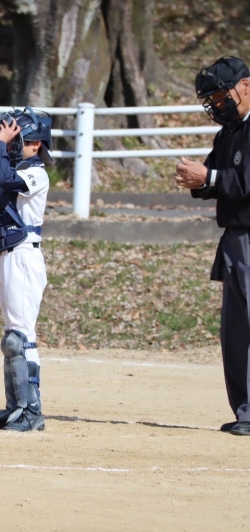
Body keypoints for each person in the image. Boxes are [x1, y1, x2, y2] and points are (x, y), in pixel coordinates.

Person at [175, 56, 250, 437]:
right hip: (234, 239)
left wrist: (210, 176)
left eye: (222, 96)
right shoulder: (228, 133)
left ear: (246, 86)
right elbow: (215, 179)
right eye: (213, 99)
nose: (219, 105)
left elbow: (243, 181)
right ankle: (245, 411)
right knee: (235, 331)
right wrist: (196, 179)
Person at [0, 107, 52, 432]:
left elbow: (8, 179)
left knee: (21, 337)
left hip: (24, 256)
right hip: (6, 256)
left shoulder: (37, 172)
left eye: (15, 140)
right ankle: (14, 408)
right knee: (11, 336)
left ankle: (31, 411)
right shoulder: (11, 169)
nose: (9, 145)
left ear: (36, 144)